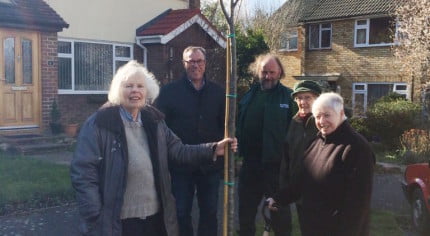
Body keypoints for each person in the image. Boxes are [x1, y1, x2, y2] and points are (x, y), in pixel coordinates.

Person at [70, 60, 237, 236]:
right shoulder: (101, 123)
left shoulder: (153, 120)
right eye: (128, 86)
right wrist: (94, 214)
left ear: (147, 91)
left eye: (140, 86)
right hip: (120, 220)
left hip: (154, 217)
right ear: (118, 90)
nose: (135, 90)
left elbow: (178, 150)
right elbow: (83, 172)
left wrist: (213, 149)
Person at [269, 92, 375, 236]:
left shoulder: (357, 147)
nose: (322, 121)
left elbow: (358, 204)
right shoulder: (317, 142)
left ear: (341, 113)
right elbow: (301, 182)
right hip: (312, 228)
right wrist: (278, 198)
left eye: (327, 115)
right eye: (317, 116)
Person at [155, 46, 225, 236]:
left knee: (209, 212)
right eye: (191, 61)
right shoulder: (169, 92)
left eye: (199, 61)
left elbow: (225, 126)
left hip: (209, 165)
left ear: (205, 63)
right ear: (184, 64)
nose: (195, 65)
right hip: (180, 166)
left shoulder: (218, 93)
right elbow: (160, 127)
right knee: (181, 212)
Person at [236, 54, 295, 236]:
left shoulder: (289, 97)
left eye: (272, 72)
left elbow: (296, 132)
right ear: (257, 72)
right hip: (250, 165)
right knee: (245, 214)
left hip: (276, 167)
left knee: (279, 214)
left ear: (280, 73)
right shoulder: (248, 96)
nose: (268, 76)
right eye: (264, 72)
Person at [279, 80, 321, 234]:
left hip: (321, 190)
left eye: (307, 97)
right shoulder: (294, 122)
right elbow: (287, 156)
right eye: (299, 98)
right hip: (300, 191)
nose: (303, 102)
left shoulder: (324, 122)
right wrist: (285, 186)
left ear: (317, 99)